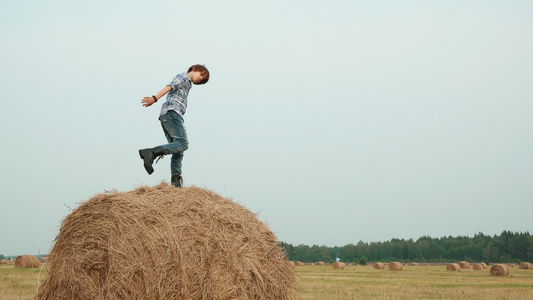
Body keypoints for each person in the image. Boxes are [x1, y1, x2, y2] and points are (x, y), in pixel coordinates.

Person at [139, 64, 210, 187]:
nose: (200, 79)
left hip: (170, 116)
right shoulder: (184, 77)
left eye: (202, 80)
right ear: (194, 69)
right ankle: (152, 152)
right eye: (201, 75)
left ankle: (176, 180)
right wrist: (154, 98)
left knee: (178, 149)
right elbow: (169, 87)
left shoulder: (188, 84)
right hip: (172, 113)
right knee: (183, 143)